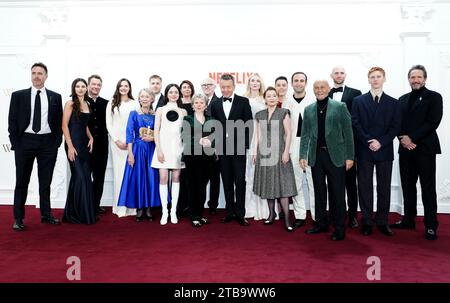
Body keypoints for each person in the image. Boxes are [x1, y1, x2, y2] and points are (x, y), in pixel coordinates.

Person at [390, 65, 443, 240]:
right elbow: (396, 122)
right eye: (413, 77)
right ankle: (408, 219)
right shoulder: (402, 99)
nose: (416, 80)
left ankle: (431, 225)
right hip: (405, 149)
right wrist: (402, 138)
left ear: (425, 79)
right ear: (409, 79)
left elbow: (432, 122)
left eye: (419, 77)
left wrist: (411, 138)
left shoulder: (434, 97)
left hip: (425, 149)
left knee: (428, 187)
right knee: (407, 186)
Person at [8, 62, 63, 231]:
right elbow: (12, 121)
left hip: (47, 143)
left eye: (40, 73)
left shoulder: (55, 96)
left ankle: (46, 215)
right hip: (25, 142)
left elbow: (58, 121)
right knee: (21, 182)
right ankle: (18, 218)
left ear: (46, 76)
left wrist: (56, 143)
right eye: (34, 73)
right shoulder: (18, 96)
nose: (36, 76)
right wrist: (17, 143)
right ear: (31, 75)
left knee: (45, 182)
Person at [300, 80, 354, 241]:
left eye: (322, 87)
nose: (319, 90)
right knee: (319, 192)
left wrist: (350, 156)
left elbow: (348, 132)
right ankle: (321, 223)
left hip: (336, 157)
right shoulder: (308, 109)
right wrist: (303, 155)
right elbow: (305, 135)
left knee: (337, 193)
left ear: (328, 89)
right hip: (316, 157)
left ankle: (339, 228)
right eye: (316, 88)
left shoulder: (340, 107)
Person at [352, 67, 401, 237]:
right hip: (365, 149)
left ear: (384, 79)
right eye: (372, 77)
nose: (375, 79)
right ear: (368, 79)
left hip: (384, 149)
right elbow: (355, 124)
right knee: (364, 186)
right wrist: (368, 141)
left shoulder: (394, 102)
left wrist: (381, 142)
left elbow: (395, 126)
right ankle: (366, 220)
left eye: (378, 76)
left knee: (384, 187)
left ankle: (382, 221)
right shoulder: (358, 101)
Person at [210, 73, 253, 226]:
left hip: (239, 148)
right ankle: (229, 212)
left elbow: (249, 124)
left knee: (240, 181)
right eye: (223, 87)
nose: (226, 90)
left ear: (234, 86)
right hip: (222, 149)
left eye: (228, 87)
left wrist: (246, 145)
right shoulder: (214, 104)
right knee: (227, 181)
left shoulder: (243, 101)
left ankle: (241, 213)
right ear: (219, 87)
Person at [253, 87, 297, 232]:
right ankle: (271, 214)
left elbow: (289, 133)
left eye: (274, 95)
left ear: (278, 98)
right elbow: (258, 136)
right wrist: (254, 153)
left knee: (283, 186)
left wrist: (286, 152)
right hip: (264, 153)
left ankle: (286, 218)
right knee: (268, 184)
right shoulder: (259, 115)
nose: (271, 98)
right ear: (264, 98)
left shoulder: (283, 113)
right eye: (268, 96)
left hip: (279, 152)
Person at [117, 88, 161, 222]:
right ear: (139, 99)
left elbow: (160, 134)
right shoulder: (134, 114)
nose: (144, 98)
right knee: (138, 178)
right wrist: (130, 154)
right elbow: (129, 134)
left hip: (152, 150)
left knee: (151, 177)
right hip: (137, 150)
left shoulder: (156, 115)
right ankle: (139, 208)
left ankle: (148, 207)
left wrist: (153, 139)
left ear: (152, 99)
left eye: (147, 96)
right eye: (142, 96)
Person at [328, 66, 362, 229]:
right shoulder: (325, 93)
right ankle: (334, 214)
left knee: (350, 183)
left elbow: (356, 119)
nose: (339, 75)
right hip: (331, 147)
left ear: (345, 75)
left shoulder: (355, 93)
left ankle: (353, 216)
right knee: (334, 183)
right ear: (331, 75)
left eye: (342, 73)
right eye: (336, 73)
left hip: (348, 145)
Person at [282, 72, 315, 229]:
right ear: (292, 83)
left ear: (306, 83)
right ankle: (300, 215)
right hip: (293, 145)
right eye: (296, 80)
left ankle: (317, 215)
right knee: (296, 183)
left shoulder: (314, 100)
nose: (299, 83)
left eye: (302, 80)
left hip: (311, 145)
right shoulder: (287, 103)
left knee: (314, 181)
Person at [151, 84, 187, 225]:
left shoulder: (183, 111)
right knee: (163, 178)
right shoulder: (160, 110)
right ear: (166, 94)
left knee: (177, 177)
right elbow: (156, 131)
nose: (173, 94)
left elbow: (185, 132)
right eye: (171, 92)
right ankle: (164, 212)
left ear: (179, 94)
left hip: (178, 148)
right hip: (163, 148)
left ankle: (173, 212)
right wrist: (159, 149)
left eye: (176, 92)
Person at [62, 78, 96, 224]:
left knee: (85, 178)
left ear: (86, 88)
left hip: (84, 145)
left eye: (83, 86)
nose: (81, 89)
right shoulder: (70, 103)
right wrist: (70, 146)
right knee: (79, 177)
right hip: (73, 144)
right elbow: (64, 125)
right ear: (74, 88)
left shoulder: (87, 104)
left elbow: (85, 125)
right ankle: (76, 214)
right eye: (78, 86)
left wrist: (91, 137)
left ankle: (79, 212)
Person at [106, 78, 139, 217]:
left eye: (126, 86)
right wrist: (117, 140)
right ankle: (119, 207)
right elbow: (109, 124)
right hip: (116, 144)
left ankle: (131, 208)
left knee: (131, 174)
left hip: (131, 143)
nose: (124, 88)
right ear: (118, 87)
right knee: (119, 174)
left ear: (129, 88)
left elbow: (137, 124)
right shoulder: (112, 103)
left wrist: (131, 141)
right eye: (121, 86)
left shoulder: (134, 103)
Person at [182, 93, 215, 227]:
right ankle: (193, 215)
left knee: (202, 186)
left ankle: (200, 215)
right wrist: (199, 140)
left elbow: (216, 136)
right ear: (193, 105)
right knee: (192, 186)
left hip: (207, 158)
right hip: (191, 156)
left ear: (206, 105)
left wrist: (210, 142)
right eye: (196, 103)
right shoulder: (187, 119)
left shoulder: (211, 119)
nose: (199, 105)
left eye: (202, 103)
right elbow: (184, 136)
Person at [243, 73, 268, 220]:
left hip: (262, 136)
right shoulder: (243, 98)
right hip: (246, 136)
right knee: (247, 173)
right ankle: (247, 208)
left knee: (260, 172)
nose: (255, 83)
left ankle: (262, 209)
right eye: (252, 80)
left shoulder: (265, 99)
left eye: (258, 81)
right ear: (249, 83)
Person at [87, 74, 109, 215]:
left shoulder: (106, 103)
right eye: (93, 84)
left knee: (99, 177)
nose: (96, 87)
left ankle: (96, 204)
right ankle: (86, 204)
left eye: (98, 85)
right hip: (85, 146)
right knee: (85, 176)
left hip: (102, 145)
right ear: (88, 85)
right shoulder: (81, 102)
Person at [201, 77, 220, 215]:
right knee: (201, 178)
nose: (206, 87)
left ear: (215, 86)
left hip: (214, 147)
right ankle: (199, 204)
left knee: (214, 179)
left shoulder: (219, 102)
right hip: (198, 147)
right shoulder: (198, 101)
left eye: (209, 84)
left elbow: (221, 127)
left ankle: (213, 206)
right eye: (204, 85)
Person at [177, 80, 195, 217]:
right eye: (184, 87)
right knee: (181, 176)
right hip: (178, 142)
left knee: (191, 176)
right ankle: (180, 205)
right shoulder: (176, 104)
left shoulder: (196, 102)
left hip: (193, 144)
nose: (187, 89)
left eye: (189, 87)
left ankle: (191, 205)